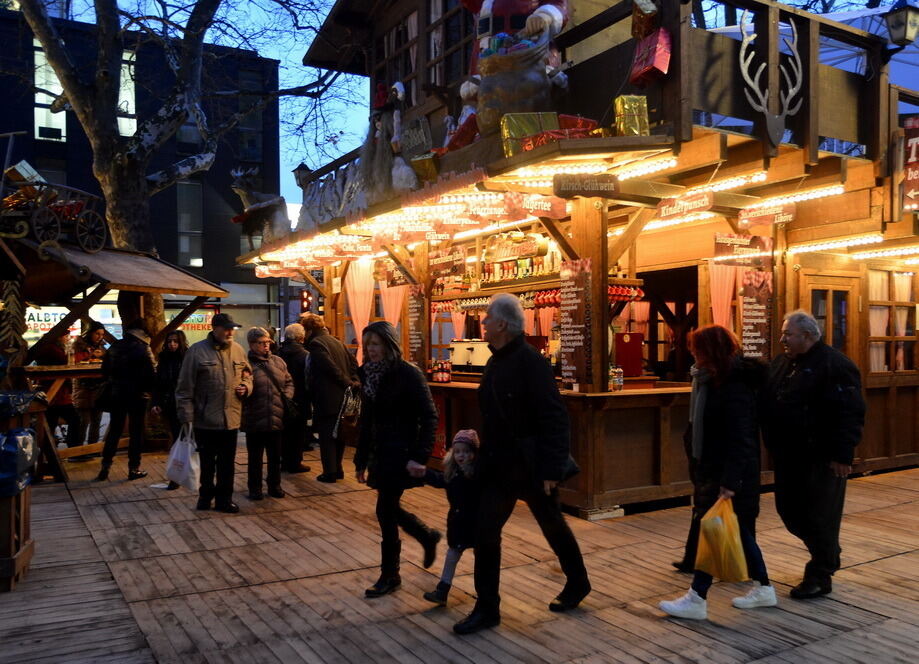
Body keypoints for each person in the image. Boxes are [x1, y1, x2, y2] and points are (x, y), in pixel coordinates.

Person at [454, 293, 590, 635]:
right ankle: (488, 608)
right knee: (485, 532)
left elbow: (555, 418)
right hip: (499, 465)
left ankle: (578, 582)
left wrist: (551, 469)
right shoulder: (496, 360)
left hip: (531, 466)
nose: (482, 323)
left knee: (552, 525)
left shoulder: (531, 362)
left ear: (502, 324)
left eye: (487, 319)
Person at [659, 325, 775, 620]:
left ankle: (697, 597)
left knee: (715, 531)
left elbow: (742, 438)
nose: (692, 353)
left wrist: (729, 482)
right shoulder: (712, 380)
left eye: (697, 348)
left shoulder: (733, 386)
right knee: (734, 531)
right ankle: (763, 588)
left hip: (728, 472)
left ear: (711, 351)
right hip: (716, 469)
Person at [761, 310, 865, 599]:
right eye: (783, 333)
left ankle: (821, 573)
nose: (782, 339)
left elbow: (850, 412)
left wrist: (843, 454)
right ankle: (828, 551)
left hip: (822, 456)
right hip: (787, 454)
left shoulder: (835, 365)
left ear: (807, 336)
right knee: (789, 511)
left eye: (788, 334)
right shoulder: (783, 362)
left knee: (820, 515)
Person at [353, 320, 441, 598]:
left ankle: (390, 574)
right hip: (380, 452)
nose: (370, 350)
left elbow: (429, 417)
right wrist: (360, 458)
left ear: (389, 345)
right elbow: (367, 419)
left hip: (401, 453)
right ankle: (426, 536)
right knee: (387, 509)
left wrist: (419, 456)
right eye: (367, 345)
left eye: (375, 344)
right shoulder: (367, 373)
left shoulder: (407, 374)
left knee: (385, 510)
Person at [176, 312, 252, 513]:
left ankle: (224, 500)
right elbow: (184, 388)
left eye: (232, 328)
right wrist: (187, 418)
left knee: (227, 464)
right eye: (226, 328)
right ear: (214, 328)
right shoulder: (196, 352)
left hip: (231, 418)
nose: (230, 332)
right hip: (205, 419)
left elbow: (248, 374)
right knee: (208, 463)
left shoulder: (238, 350)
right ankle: (205, 497)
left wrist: (246, 386)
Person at [422, 429, 481, 607]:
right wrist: (424, 473)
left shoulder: (476, 475)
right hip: (458, 524)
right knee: (452, 555)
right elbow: (441, 480)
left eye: (466, 451)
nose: (461, 455)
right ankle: (443, 589)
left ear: (473, 453)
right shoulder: (453, 473)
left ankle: (484, 593)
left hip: (476, 524)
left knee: (482, 559)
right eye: (457, 452)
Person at [301, 313, 359, 483]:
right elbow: (353, 362)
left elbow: (328, 367)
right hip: (343, 397)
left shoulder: (316, 344)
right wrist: (354, 381)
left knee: (327, 435)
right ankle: (338, 469)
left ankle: (329, 472)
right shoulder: (337, 341)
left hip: (327, 396)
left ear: (309, 329)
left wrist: (346, 381)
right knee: (339, 433)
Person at [95, 319, 156, 482]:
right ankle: (133, 468)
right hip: (138, 396)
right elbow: (152, 374)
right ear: (143, 332)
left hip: (117, 394)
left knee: (115, 430)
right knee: (136, 432)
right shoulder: (144, 348)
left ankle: (105, 466)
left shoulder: (115, 346)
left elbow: (105, 370)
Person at [242, 326, 294, 500]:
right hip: (255, 417)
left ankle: (274, 485)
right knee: (255, 458)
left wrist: (286, 396)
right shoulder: (245, 363)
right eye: (261, 343)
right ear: (252, 344)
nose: (266, 346)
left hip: (276, 416)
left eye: (268, 342)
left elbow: (289, 382)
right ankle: (254, 488)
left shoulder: (278, 361)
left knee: (274, 457)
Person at [151, 330, 188, 490]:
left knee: (187, 440)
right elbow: (159, 383)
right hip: (171, 404)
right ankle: (177, 476)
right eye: (169, 341)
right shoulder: (164, 359)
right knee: (178, 440)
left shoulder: (187, 357)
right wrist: (156, 402)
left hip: (186, 405)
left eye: (175, 341)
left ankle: (185, 473)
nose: (172, 344)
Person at [32, 332, 81, 450]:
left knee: (51, 423)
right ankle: (72, 449)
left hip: (54, 393)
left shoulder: (48, 347)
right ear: (58, 337)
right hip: (55, 394)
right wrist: (85, 353)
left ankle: (49, 453)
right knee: (73, 420)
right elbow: (66, 360)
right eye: (65, 336)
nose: (66, 339)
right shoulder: (52, 349)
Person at [277, 323, 312, 471]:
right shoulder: (305, 355)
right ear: (301, 338)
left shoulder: (278, 353)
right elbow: (309, 378)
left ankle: (284, 460)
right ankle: (295, 462)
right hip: (301, 398)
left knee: (284, 432)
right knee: (298, 433)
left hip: (282, 398)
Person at [72, 321, 107, 448]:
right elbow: (73, 360)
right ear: (90, 333)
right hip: (83, 386)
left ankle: (93, 449)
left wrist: (103, 356)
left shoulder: (102, 347)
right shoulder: (78, 345)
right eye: (97, 333)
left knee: (96, 420)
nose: (100, 337)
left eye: (102, 334)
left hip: (98, 386)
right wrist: (90, 354)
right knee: (83, 421)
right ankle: (78, 450)